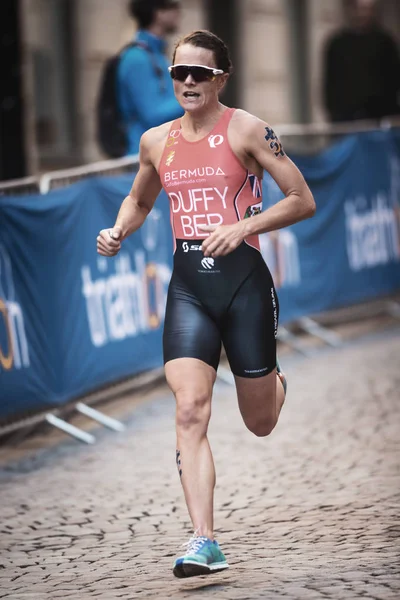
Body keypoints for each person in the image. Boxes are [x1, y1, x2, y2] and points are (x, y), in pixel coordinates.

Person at [97, 30, 316, 578]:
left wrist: (243, 227)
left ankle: (274, 384)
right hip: (189, 287)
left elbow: (301, 199)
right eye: (179, 73)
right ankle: (204, 540)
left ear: (222, 78)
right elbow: (140, 196)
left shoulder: (248, 130)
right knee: (190, 408)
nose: (188, 82)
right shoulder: (156, 141)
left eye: (200, 73)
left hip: (244, 284)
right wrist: (120, 228)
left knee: (259, 421)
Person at [117, 0, 184, 155]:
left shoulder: (157, 54)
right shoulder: (137, 58)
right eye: (173, 6)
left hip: (163, 153)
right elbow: (152, 114)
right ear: (158, 13)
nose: (179, 12)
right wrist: (194, 96)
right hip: (142, 160)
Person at [323, 0, 400, 123]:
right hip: (346, 118)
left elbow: (393, 79)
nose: (364, 14)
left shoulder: (385, 42)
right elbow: (331, 82)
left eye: (369, 9)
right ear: (350, 9)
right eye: (360, 8)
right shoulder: (338, 43)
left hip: (380, 117)